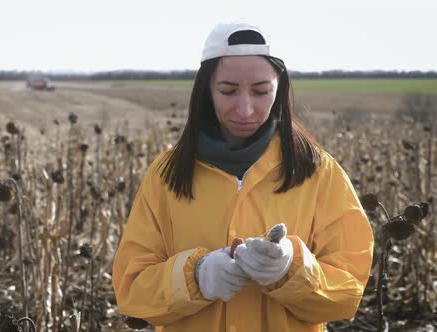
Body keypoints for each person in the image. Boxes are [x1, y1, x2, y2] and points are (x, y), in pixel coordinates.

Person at [112, 20, 374, 332]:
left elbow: (348, 291)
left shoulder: (319, 171)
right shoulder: (166, 174)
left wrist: (292, 268)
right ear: (206, 90)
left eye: (262, 91)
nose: (245, 109)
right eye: (228, 91)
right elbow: (131, 291)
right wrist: (196, 277)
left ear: (280, 87)